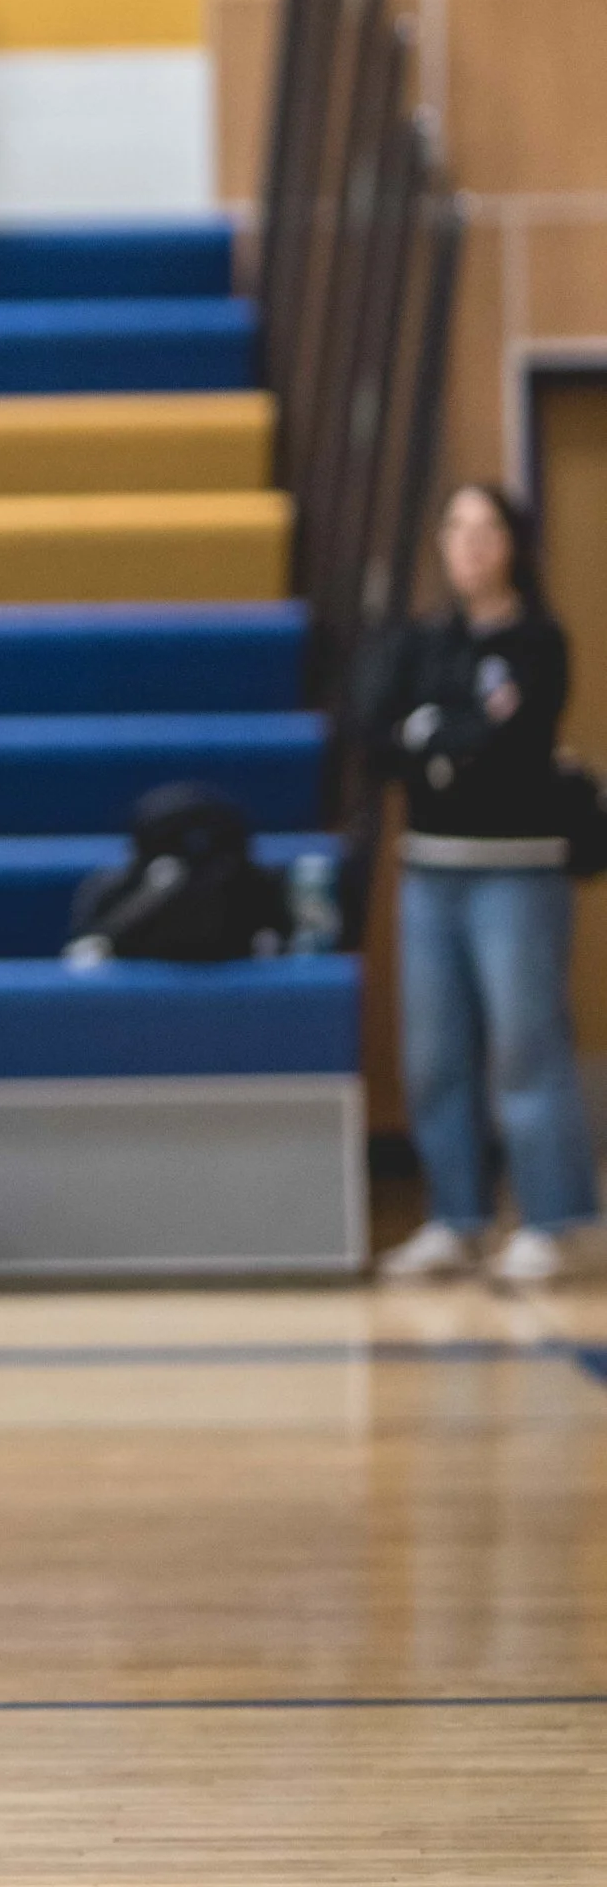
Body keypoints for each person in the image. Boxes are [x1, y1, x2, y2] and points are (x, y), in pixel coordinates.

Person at [366, 481, 599, 1295]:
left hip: (517, 869)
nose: (467, 542)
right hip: (432, 869)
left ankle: (554, 1219)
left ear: (512, 545)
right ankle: (457, 1219)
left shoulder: (539, 642)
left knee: (525, 1049)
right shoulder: (422, 643)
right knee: (434, 1057)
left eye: (485, 527)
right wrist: (442, 734)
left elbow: (508, 746)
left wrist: (437, 734)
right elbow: (376, 733)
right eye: (454, 526)